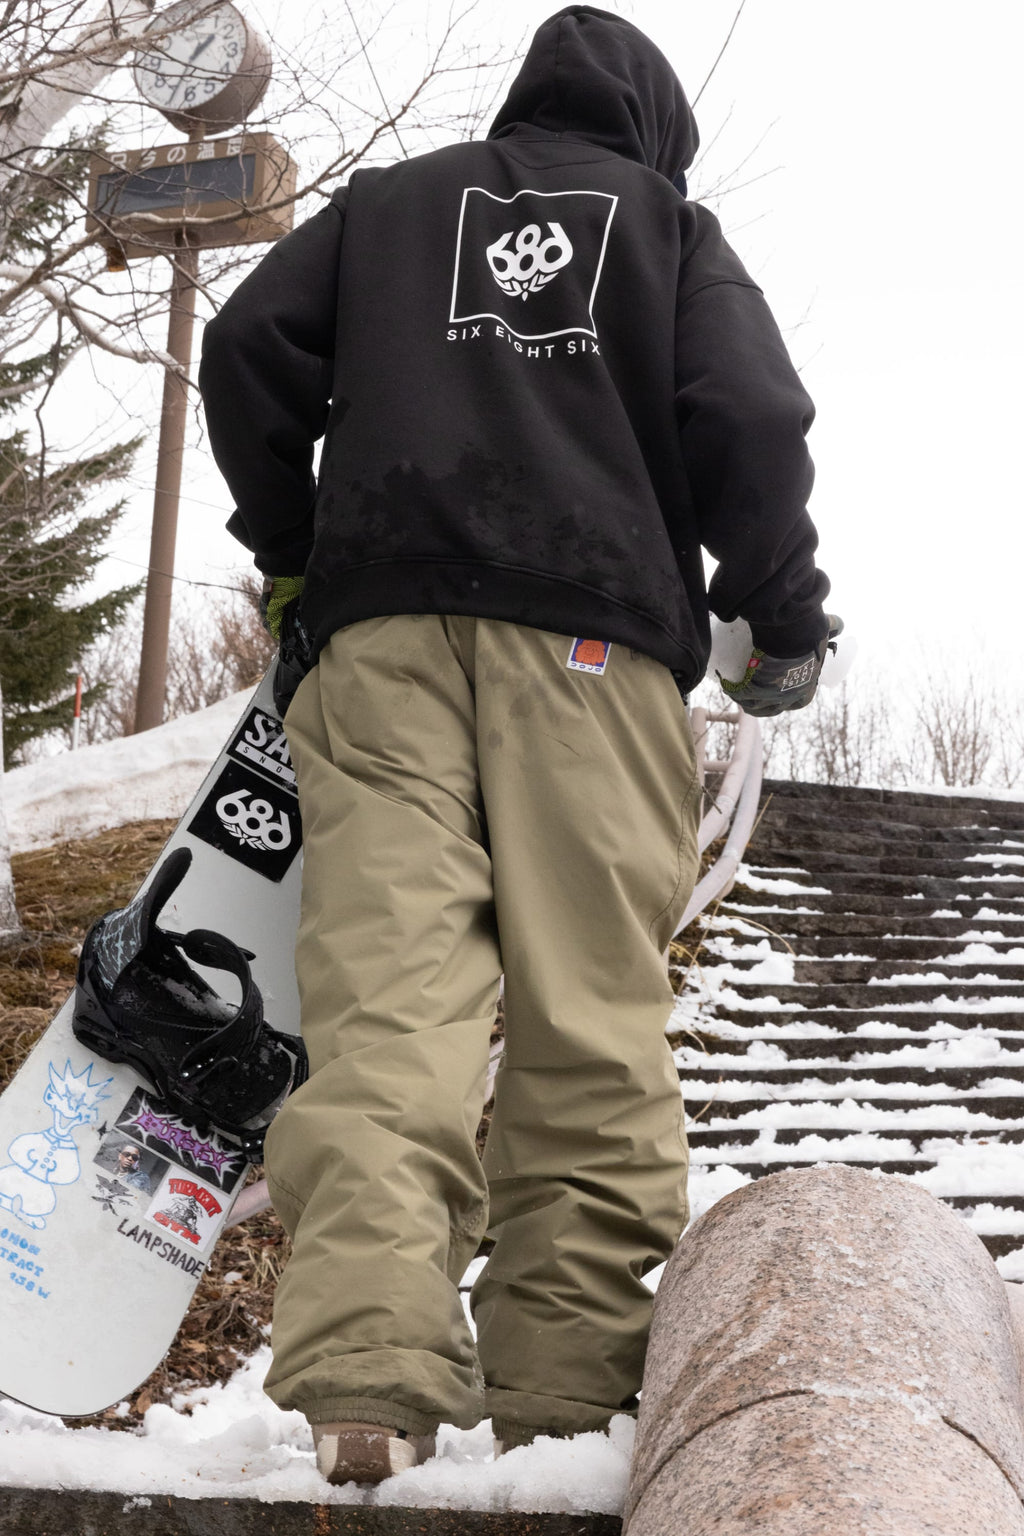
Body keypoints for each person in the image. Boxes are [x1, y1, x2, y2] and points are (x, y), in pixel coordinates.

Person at [199, 4, 833, 1486]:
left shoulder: (389, 207)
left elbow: (247, 347)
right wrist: (779, 617)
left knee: (388, 1008)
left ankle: (365, 1371)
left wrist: (298, 548)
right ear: (653, 132)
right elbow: (744, 406)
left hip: (383, 645)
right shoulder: (668, 223)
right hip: (593, 648)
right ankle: (562, 1397)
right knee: (586, 1021)